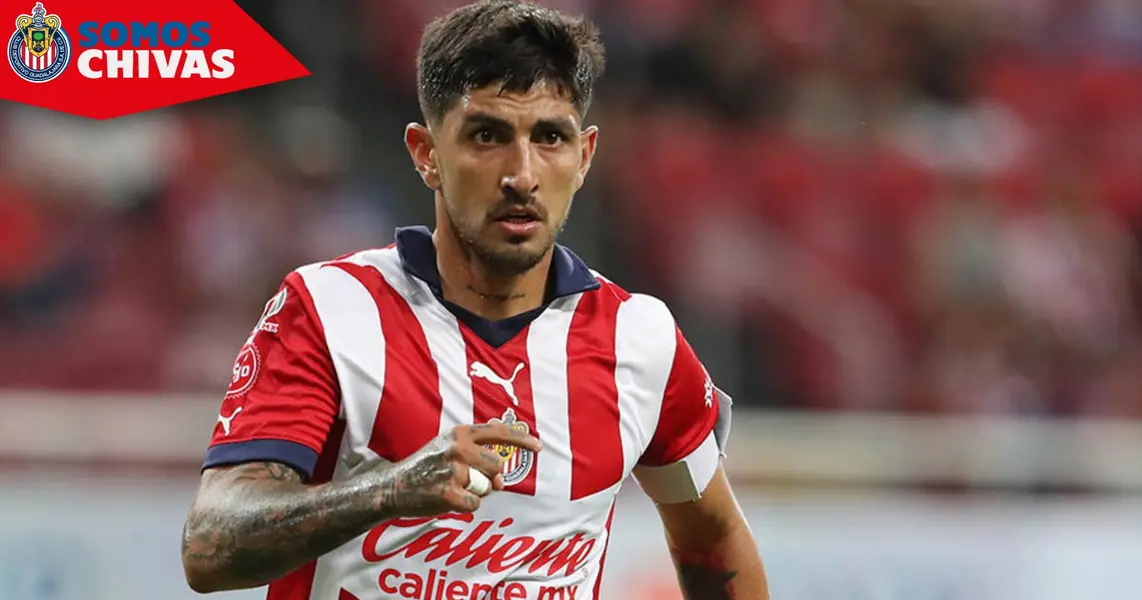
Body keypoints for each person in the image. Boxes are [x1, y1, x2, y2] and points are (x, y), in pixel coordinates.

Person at [180, 1, 769, 598]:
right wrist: (388, 490)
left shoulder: (639, 339)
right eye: (487, 135)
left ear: (584, 156)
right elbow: (209, 546)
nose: (522, 174)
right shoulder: (329, 309)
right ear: (426, 153)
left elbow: (713, 534)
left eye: (551, 138)